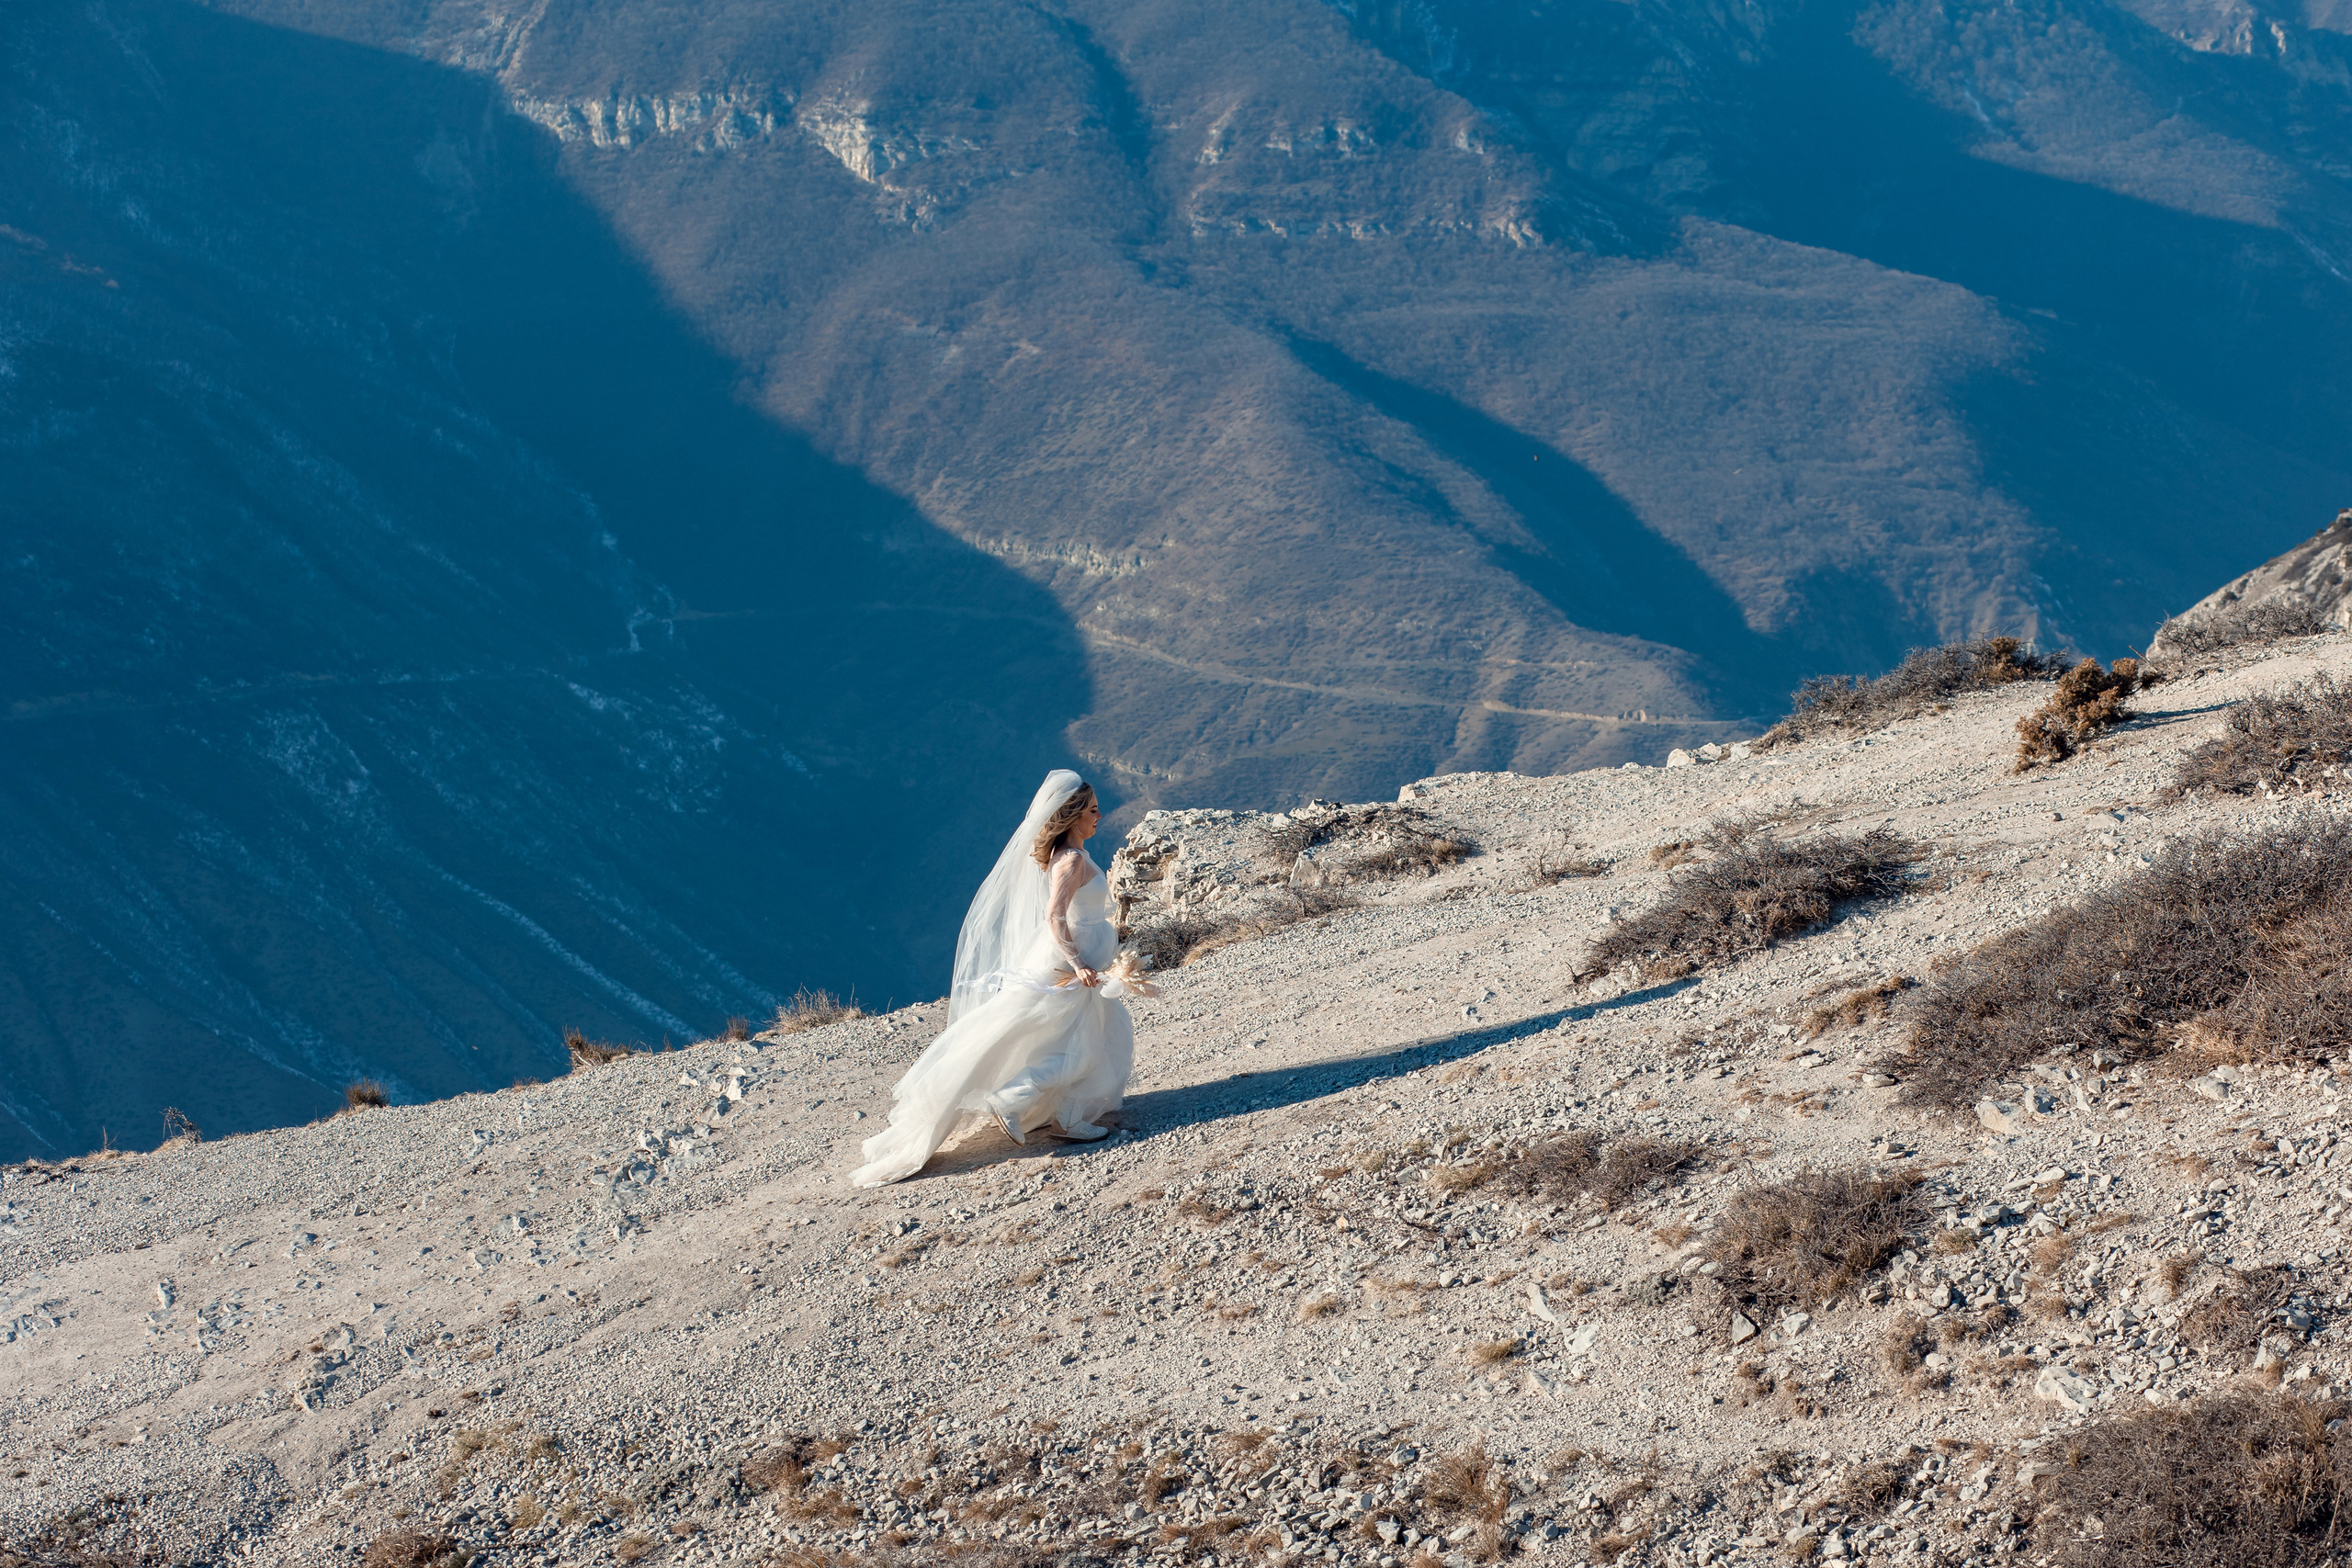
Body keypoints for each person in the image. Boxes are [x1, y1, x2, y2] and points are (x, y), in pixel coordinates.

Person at [851, 771, 1146, 1188]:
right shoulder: (1073, 860)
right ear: (1072, 815)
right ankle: (1011, 1099)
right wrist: (1079, 962)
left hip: (1085, 957)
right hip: (1072, 962)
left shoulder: (1075, 855)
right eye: (1093, 810)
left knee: (1081, 1034)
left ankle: (1067, 1117)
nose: (1100, 816)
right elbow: (1054, 915)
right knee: (1074, 1043)